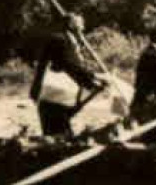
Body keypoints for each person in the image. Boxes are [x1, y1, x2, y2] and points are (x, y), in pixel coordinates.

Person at [28, 11, 105, 139]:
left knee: (61, 132)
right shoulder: (60, 40)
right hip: (54, 96)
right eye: (80, 26)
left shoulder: (68, 41)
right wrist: (92, 80)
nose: (83, 30)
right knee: (58, 135)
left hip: (60, 96)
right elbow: (70, 66)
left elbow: (74, 65)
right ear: (72, 25)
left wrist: (92, 80)